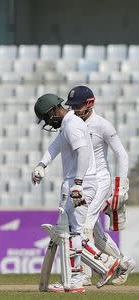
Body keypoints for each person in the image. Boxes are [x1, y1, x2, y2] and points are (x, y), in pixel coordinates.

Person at [32, 93, 119, 292]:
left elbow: (83, 152)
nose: (47, 122)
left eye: (46, 117)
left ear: (54, 110)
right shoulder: (69, 124)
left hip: (80, 183)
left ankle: (86, 274)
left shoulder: (72, 125)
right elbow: (55, 147)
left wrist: (78, 183)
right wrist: (41, 165)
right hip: (79, 183)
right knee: (74, 232)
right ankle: (83, 275)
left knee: (70, 232)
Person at [65, 86, 136, 285]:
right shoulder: (71, 123)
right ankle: (124, 262)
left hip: (100, 180)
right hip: (84, 182)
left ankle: (84, 275)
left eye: (78, 105)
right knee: (95, 232)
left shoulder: (102, 125)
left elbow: (121, 155)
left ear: (90, 103)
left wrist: (121, 188)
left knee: (83, 227)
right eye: (72, 105)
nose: (75, 109)